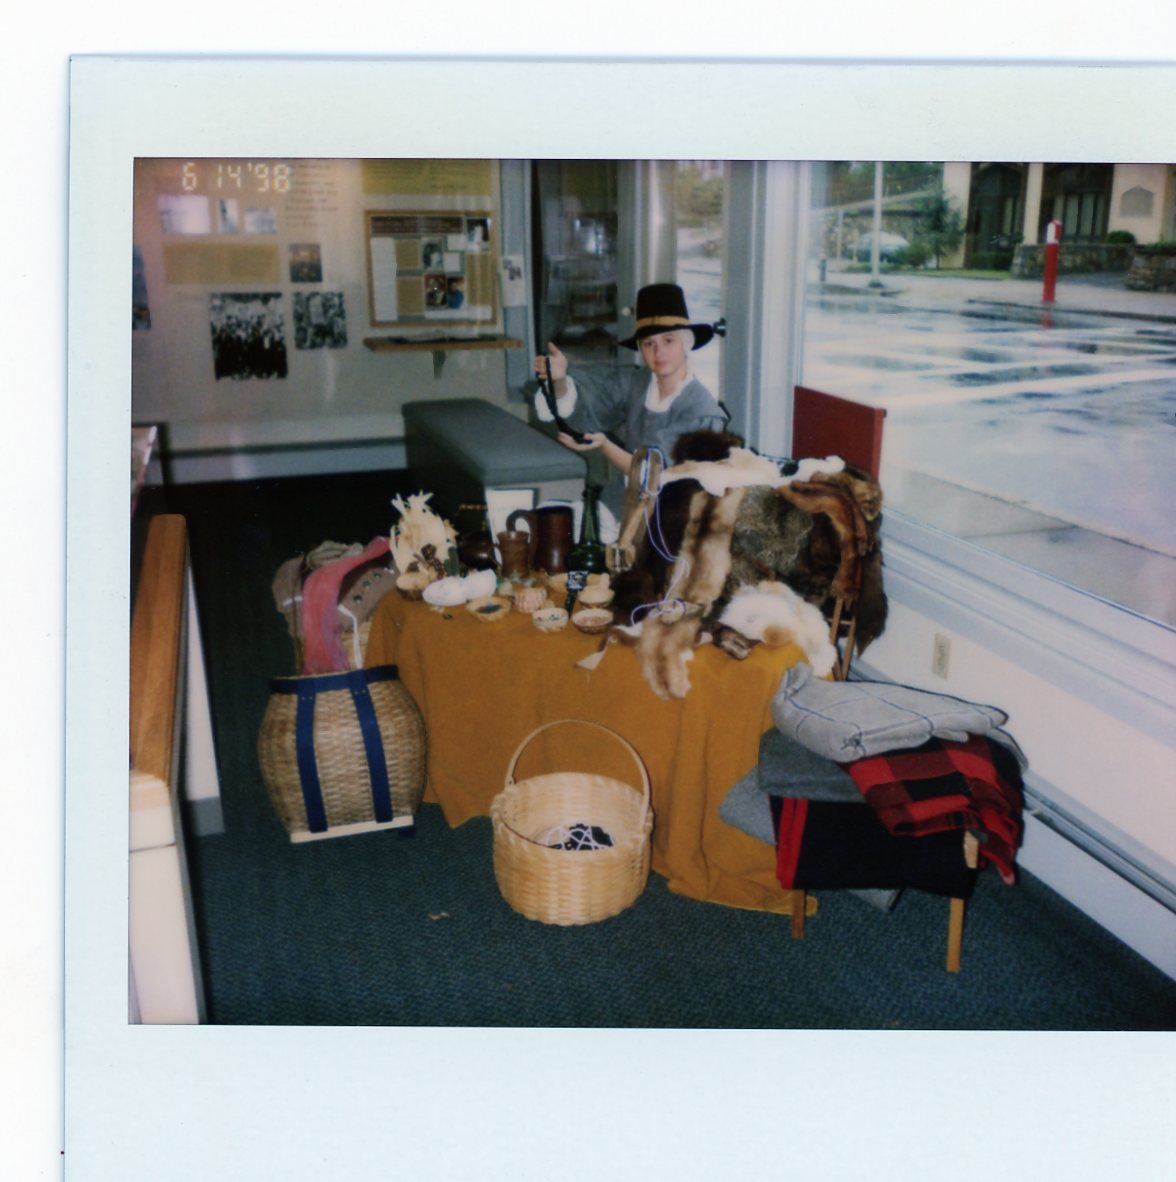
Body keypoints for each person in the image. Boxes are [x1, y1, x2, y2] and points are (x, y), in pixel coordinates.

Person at [532, 283, 728, 526]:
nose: (658, 352)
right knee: (546, 521)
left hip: (669, 521)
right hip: (622, 502)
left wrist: (604, 446)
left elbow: (652, 474)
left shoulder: (701, 411)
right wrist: (559, 380)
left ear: (685, 344)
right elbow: (591, 403)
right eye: (648, 343)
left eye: (668, 341)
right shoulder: (637, 382)